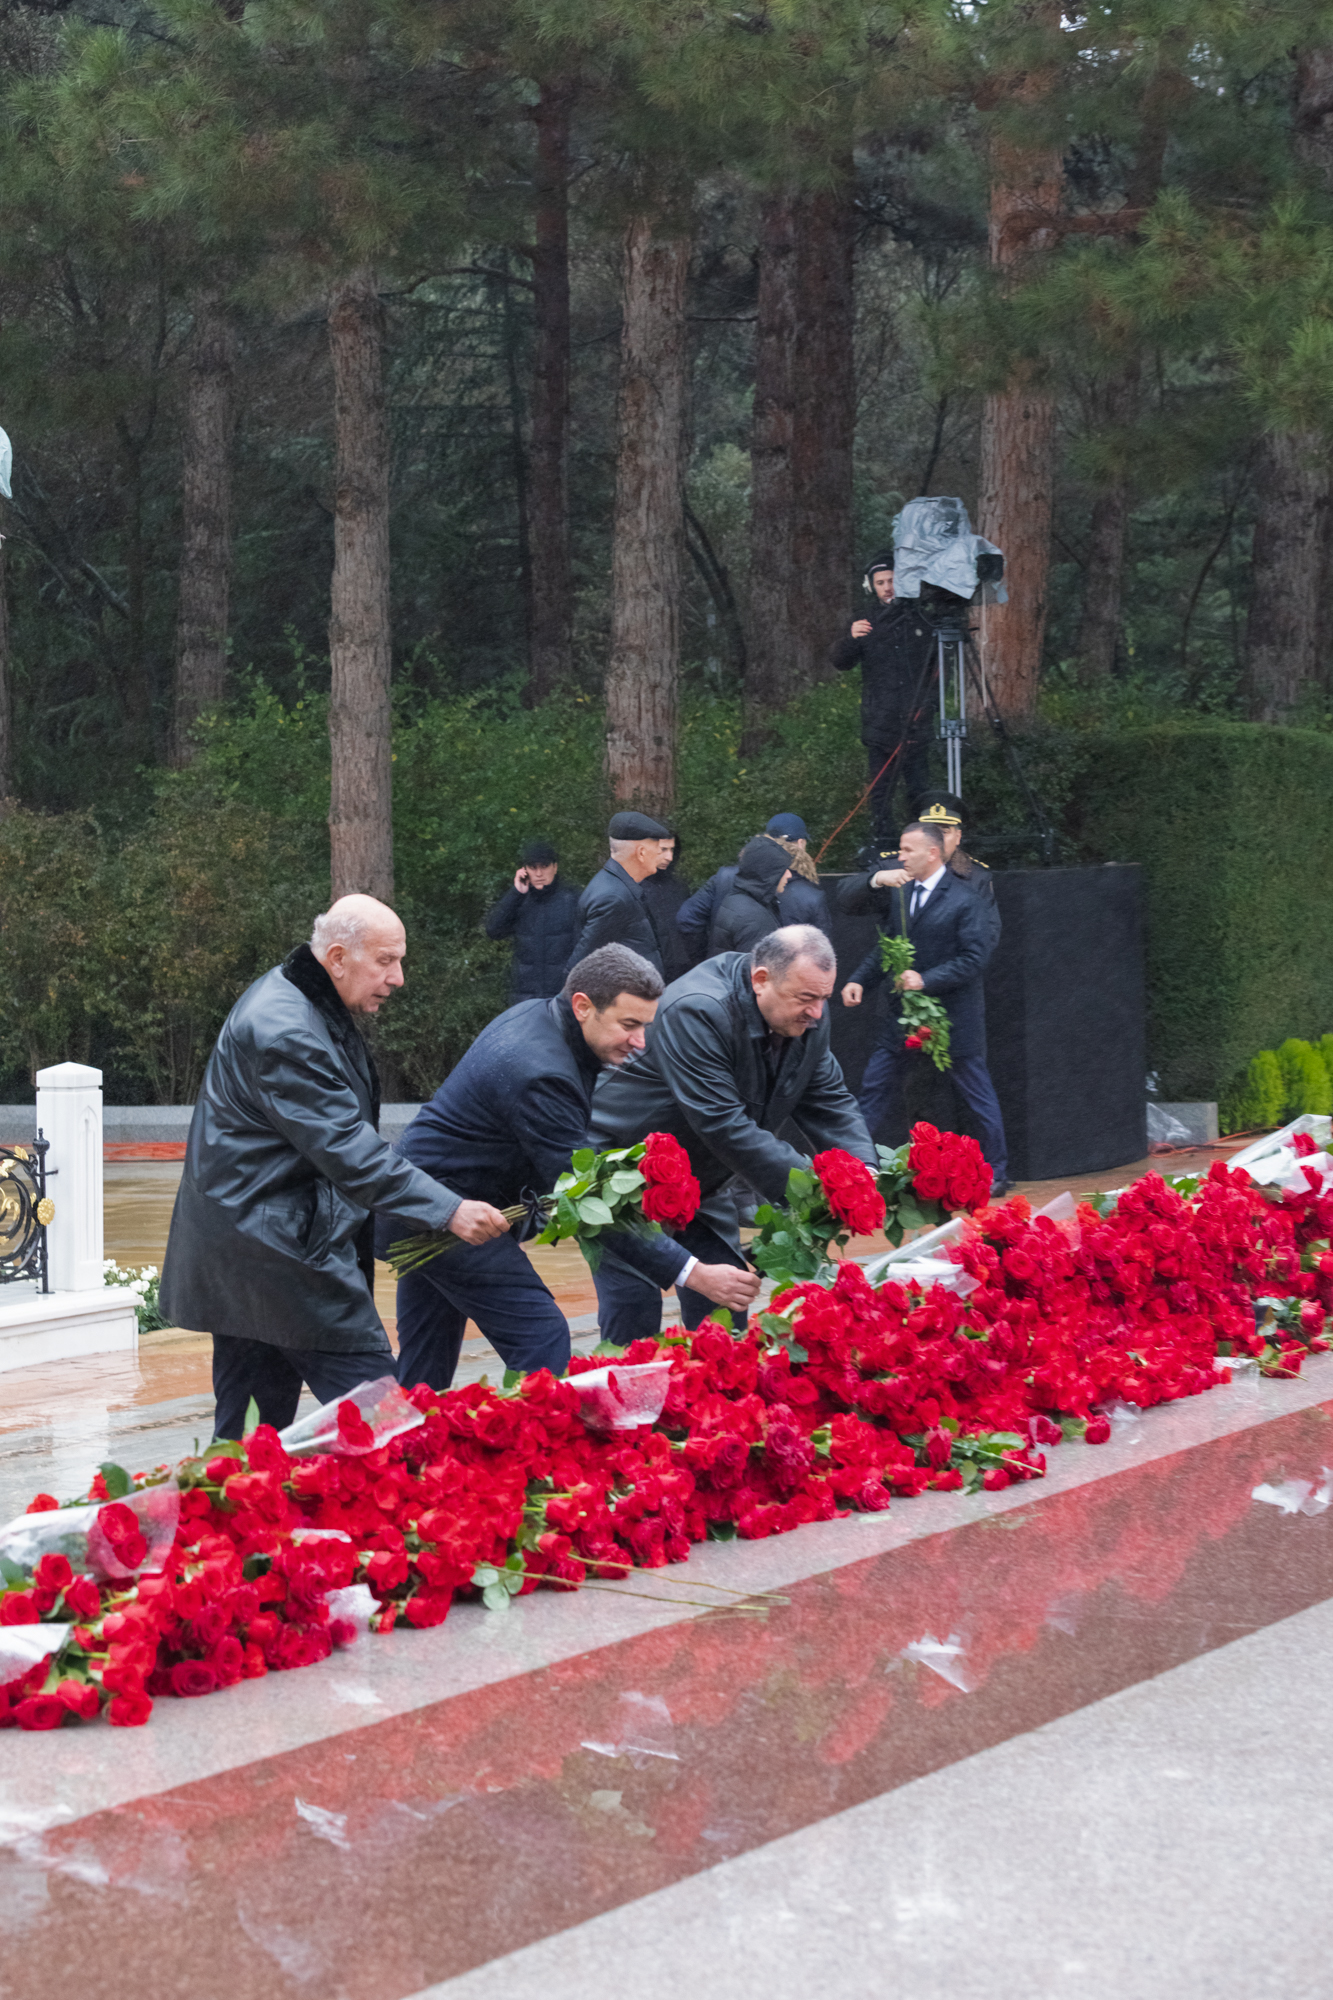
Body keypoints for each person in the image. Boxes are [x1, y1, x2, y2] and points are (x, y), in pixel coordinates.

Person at [159, 895, 499, 1440]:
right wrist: (449, 1210)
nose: (399, 977)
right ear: (338, 957)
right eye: (386, 961)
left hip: (252, 1249)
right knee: (389, 1429)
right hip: (283, 1261)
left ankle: (229, 1520)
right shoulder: (285, 1029)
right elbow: (348, 1149)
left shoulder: (296, 996)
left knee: (246, 1445)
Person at [377, 946, 758, 1387]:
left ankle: (406, 1452)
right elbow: (584, 1197)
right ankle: (535, 1452)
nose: (641, 1042)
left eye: (645, 1026)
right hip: (448, 1219)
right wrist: (695, 1273)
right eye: (629, 1025)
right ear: (583, 1006)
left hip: (420, 1209)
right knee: (541, 1340)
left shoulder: (541, 1020)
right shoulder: (542, 1071)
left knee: (425, 1369)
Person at [589, 925, 877, 1345]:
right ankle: (615, 1405)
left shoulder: (806, 1012)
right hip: (627, 1173)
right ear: (761, 980)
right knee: (635, 1314)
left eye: (823, 998)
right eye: (805, 998)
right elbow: (723, 1124)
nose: (817, 1012)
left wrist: (862, 1172)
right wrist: (820, 1190)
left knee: (727, 1310)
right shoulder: (698, 1009)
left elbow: (829, 1099)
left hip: (704, 1174)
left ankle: (715, 1405)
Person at [841, 820, 1009, 1193]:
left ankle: (997, 1170)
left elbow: (975, 957)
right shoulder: (900, 894)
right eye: (899, 850)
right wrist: (858, 980)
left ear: (932, 854)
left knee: (975, 1092)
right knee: (874, 1086)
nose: (899, 857)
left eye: (907, 851)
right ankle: (850, 1167)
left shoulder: (967, 900)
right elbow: (888, 947)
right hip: (903, 1017)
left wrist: (926, 979)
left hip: (952, 1018)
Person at [829, 555, 936, 837]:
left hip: (918, 721)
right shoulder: (865, 620)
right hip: (880, 722)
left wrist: (929, 702)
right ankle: (882, 845)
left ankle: (923, 846)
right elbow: (840, 661)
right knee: (880, 793)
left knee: (919, 790)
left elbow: (942, 666)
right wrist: (851, 638)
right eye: (880, 583)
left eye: (891, 580)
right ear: (871, 587)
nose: (887, 587)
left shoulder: (922, 617)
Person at [840, 792, 999, 950]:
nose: (938, 839)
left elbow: (988, 935)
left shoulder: (976, 876)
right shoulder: (894, 866)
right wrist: (876, 879)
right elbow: (846, 902)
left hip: (949, 969)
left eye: (944, 831)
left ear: (958, 837)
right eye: (931, 832)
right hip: (898, 969)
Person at [678, 814, 831, 962]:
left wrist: (707, 960)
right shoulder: (812, 896)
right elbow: (820, 955)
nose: (788, 876)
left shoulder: (723, 878)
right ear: (801, 843)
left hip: (724, 975)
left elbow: (687, 919)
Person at [565, 811, 672, 976]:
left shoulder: (617, 886)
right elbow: (579, 969)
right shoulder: (613, 898)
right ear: (641, 853)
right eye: (658, 849)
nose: (662, 855)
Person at [484, 840, 581, 1002]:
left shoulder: (573, 899)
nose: (538, 874)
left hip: (563, 995)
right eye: (533, 867)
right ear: (524, 870)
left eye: (544, 867)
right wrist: (516, 893)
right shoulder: (519, 900)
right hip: (525, 996)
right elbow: (493, 931)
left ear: (555, 867)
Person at [707, 835, 791, 955]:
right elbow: (758, 971)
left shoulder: (736, 898)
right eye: (783, 870)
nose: (789, 875)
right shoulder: (755, 920)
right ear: (769, 873)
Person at [641, 832, 694, 984]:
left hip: (682, 971)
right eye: (663, 850)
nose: (668, 857)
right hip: (649, 972)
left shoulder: (678, 887)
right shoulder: (632, 889)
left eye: (672, 850)